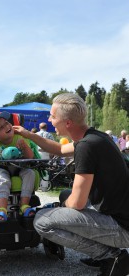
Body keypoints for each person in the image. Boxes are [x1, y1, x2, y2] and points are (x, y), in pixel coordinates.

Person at [13, 93, 129, 276]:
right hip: (121, 214)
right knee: (64, 195)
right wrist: (28, 135)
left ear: (68, 123)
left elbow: (77, 203)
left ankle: (111, 256)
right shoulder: (95, 137)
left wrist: (60, 208)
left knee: (42, 221)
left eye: (53, 116)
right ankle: (105, 251)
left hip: (123, 228)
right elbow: (59, 149)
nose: (50, 120)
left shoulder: (85, 147)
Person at [0, 111, 36, 221]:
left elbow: (30, 157)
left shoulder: (20, 137)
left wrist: (24, 147)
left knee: (30, 173)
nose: (7, 126)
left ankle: (24, 206)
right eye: (1, 127)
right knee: (2, 178)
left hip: (21, 167)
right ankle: (2, 209)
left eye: (6, 123)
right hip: (1, 168)